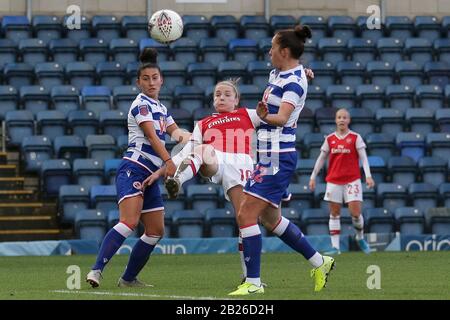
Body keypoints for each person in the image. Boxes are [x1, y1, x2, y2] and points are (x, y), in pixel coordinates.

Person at [228, 25, 335, 296]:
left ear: (284, 51)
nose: (269, 51)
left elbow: (283, 118)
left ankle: (252, 284)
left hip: (277, 156)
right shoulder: (280, 72)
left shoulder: (294, 82)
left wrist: (264, 116)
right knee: (271, 220)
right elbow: (297, 71)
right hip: (266, 153)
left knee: (245, 214)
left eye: (273, 47)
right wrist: (305, 70)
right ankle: (320, 262)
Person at [86, 48, 190, 288]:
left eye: (155, 78)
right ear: (138, 82)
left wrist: (199, 137)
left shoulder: (162, 109)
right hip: (134, 167)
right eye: (146, 79)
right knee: (129, 222)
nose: (151, 82)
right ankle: (96, 270)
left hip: (151, 175)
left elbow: (176, 133)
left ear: (162, 80)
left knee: (155, 230)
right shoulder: (140, 105)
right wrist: (169, 162)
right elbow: (153, 138)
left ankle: (128, 278)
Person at [309, 108, 375, 255]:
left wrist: (368, 176)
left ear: (349, 120)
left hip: (352, 180)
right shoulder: (330, 139)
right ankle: (336, 247)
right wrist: (313, 176)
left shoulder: (355, 137)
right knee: (334, 213)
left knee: (355, 213)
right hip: (334, 181)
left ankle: (360, 238)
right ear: (335, 120)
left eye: (344, 117)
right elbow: (321, 158)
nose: (342, 120)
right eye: (339, 117)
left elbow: (363, 158)